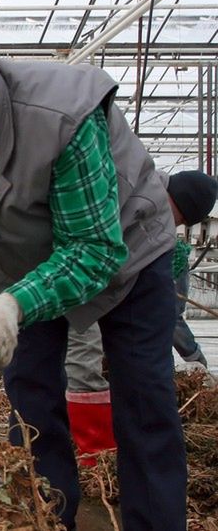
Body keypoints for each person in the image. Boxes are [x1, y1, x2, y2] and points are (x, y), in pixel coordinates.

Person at [0, 25, 185, 530]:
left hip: (127, 253)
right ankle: (45, 520)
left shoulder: (62, 118)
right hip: (23, 265)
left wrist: (15, 304)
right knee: (28, 404)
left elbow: (93, 251)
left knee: (142, 401)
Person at [65, 169, 216, 465]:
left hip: (81, 282)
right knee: (82, 357)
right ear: (176, 202)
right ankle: (95, 457)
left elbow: (167, 318)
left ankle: (87, 449)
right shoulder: (131, 198)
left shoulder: (149, 213)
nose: (175, 225)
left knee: (74, 360)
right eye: (180, 218)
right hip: (74, 279)